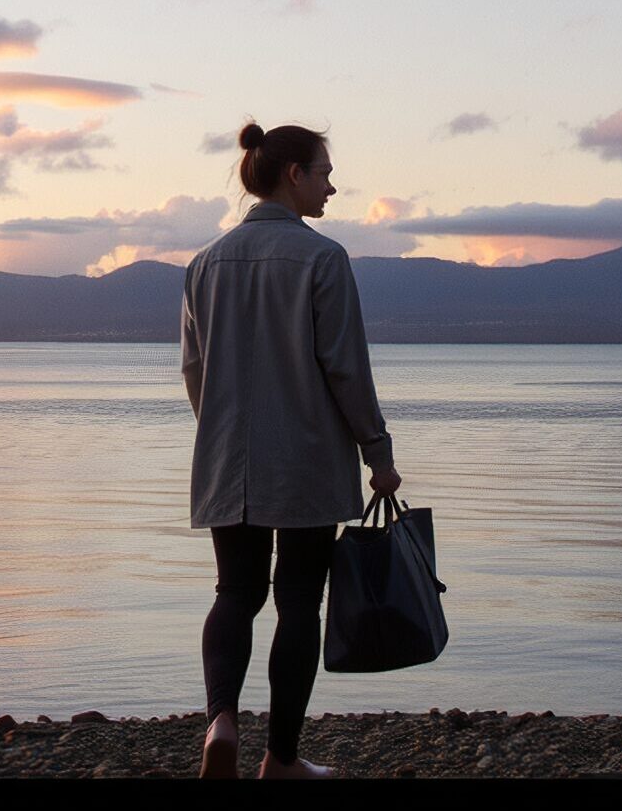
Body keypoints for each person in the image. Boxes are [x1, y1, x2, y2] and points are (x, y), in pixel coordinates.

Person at [183, 121, 401, 779]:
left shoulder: (204, 264)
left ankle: (221, 720)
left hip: (227, 460)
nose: (332, 186)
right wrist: (378, 454)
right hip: (306, 458)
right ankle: (280, 759)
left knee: (235, 591)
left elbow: (194, 369)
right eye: (325, 173)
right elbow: (345, 368)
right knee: (299, 600)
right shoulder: (322, 259)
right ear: (294, 175)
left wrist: (221, 431)